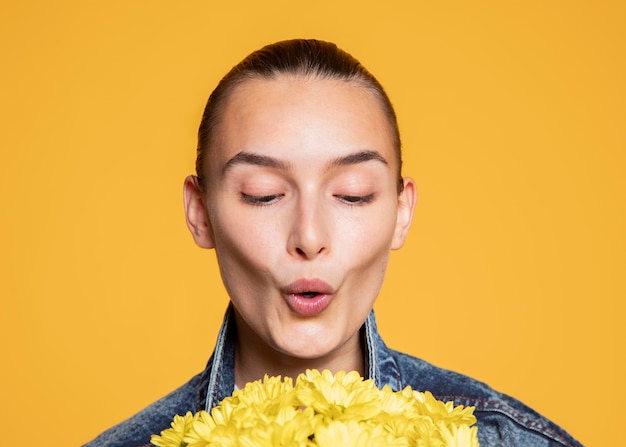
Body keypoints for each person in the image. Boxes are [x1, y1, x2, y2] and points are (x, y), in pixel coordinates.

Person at [83, 39, 583, 447]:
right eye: (264, 195)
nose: (310, 238)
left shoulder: (505, 439)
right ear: (200, 213)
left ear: (400, 213)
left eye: (352, 194)